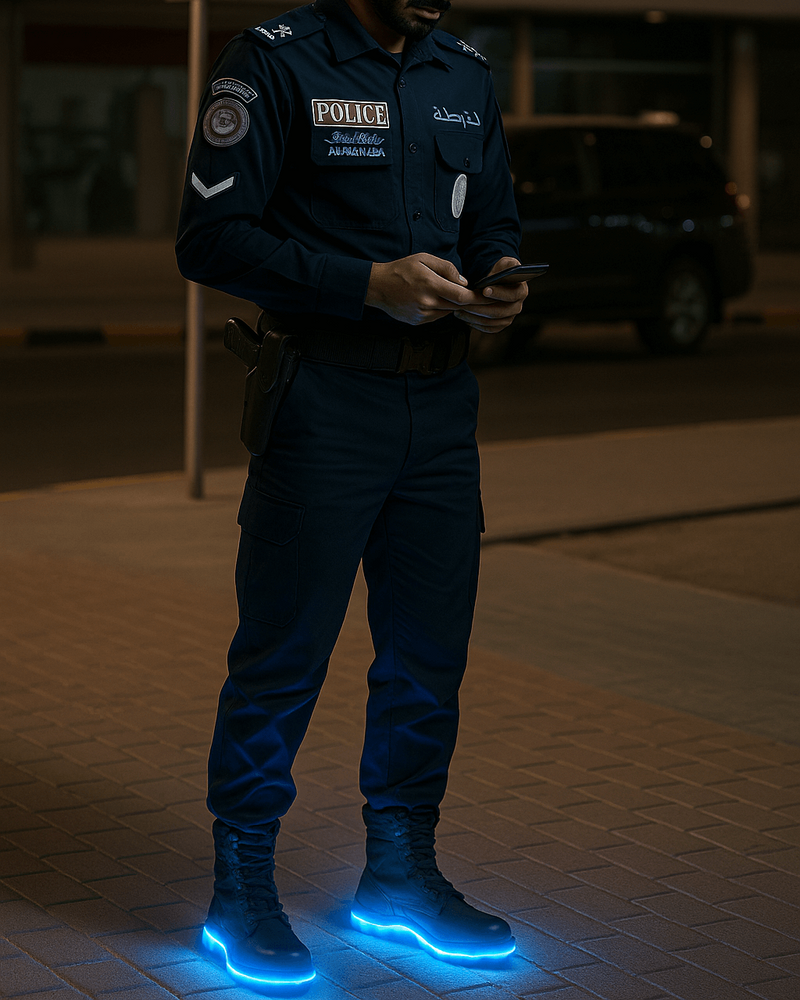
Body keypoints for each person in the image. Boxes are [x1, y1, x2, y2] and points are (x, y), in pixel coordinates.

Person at [176, 0, 528, 991]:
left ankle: (398, 873)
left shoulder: (460, 71)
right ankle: (240, 886)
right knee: (282, 654)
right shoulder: (272, 61)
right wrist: (364, 282)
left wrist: (500, 275)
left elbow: (493, 216)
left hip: (441, 409)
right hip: (323, 399)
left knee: (427, 653)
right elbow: (207, 238)